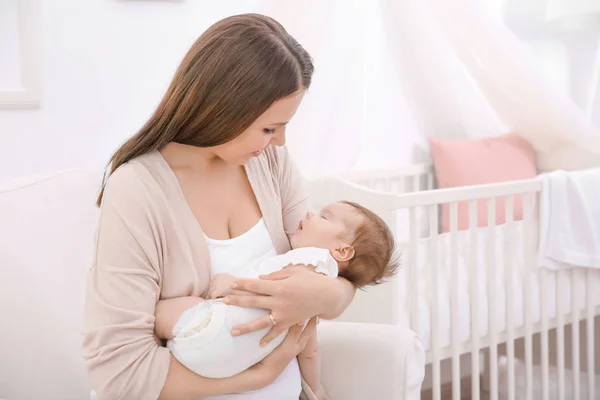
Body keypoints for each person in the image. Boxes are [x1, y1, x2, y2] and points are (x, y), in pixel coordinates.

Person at [82, 13, 358, 400]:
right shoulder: (137, 190)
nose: (279, 142)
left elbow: (332, 270)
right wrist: (259, 376)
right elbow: (120, 372)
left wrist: (329, 297)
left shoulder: (268, 163)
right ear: (222, 108)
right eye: (268, 128)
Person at [155, 201, 399, 399]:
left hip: (210, 334)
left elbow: (267, 292)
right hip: (231, 362)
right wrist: (315, 390)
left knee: (165, 311)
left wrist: (233, 284)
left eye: (324, 217)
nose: (310, 213)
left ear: (342, 251)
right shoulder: (313, 297)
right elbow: (310, 352)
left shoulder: (310, 262)